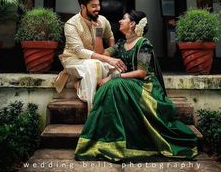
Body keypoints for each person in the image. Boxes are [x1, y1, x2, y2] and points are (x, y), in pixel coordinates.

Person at [74, 10, 198, 162]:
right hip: (128, 82)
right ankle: (105, 140)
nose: (120, 21)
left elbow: (141, 72)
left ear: (132, 24)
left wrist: (113, 76)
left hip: (145, 85)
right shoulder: (120, 44)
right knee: (110, 87)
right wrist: (99, 31)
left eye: (123, 19)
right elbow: (101, 54)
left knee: (113, 85)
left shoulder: (144, 44)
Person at [55, 0, 127, 112]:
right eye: (93, 6)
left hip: (96, 58)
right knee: (95, 66)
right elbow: (79, 51)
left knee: (117, 69)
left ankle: (81, 86)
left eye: (99, 5)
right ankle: (93, 111)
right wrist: (108, 58)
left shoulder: (102, 20)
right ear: (83, 7)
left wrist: (113, 51)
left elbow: (110, 37)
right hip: (73, 59)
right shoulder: (71, 24)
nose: (98, 8)